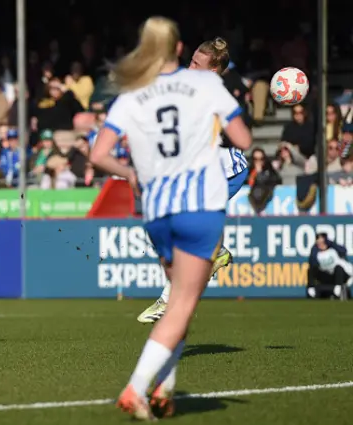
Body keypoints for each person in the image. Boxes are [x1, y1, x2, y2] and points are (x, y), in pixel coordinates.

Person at [89, 18, 251, 420]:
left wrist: (131, 172)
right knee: (182, 303)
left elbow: (99, 153)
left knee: (179, 301)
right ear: (179, 51)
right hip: (195, 200)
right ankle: (141, 388)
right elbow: (245, 140)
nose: (196, 69)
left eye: (203, 64)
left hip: (160, 202)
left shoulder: (137, 91)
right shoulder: (206, 90)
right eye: (193, 61)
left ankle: (164, 388)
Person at [137, 37, 250, 324]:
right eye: (190, 60)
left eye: (196, 64)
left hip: (227, 169)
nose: (190, 67)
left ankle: (170, 299)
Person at [307, 233, 352, 300]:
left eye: (322, 242)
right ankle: (311, 288)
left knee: (338, 268)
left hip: (341, 275)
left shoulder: (334, 250)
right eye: (318, 242)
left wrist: (330, 243)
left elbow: (343, 251)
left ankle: (338, 288)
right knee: (311, 269)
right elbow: (313, 262)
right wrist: (315, 247)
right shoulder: (317, 252)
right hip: (328, 275)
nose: (320, 244)